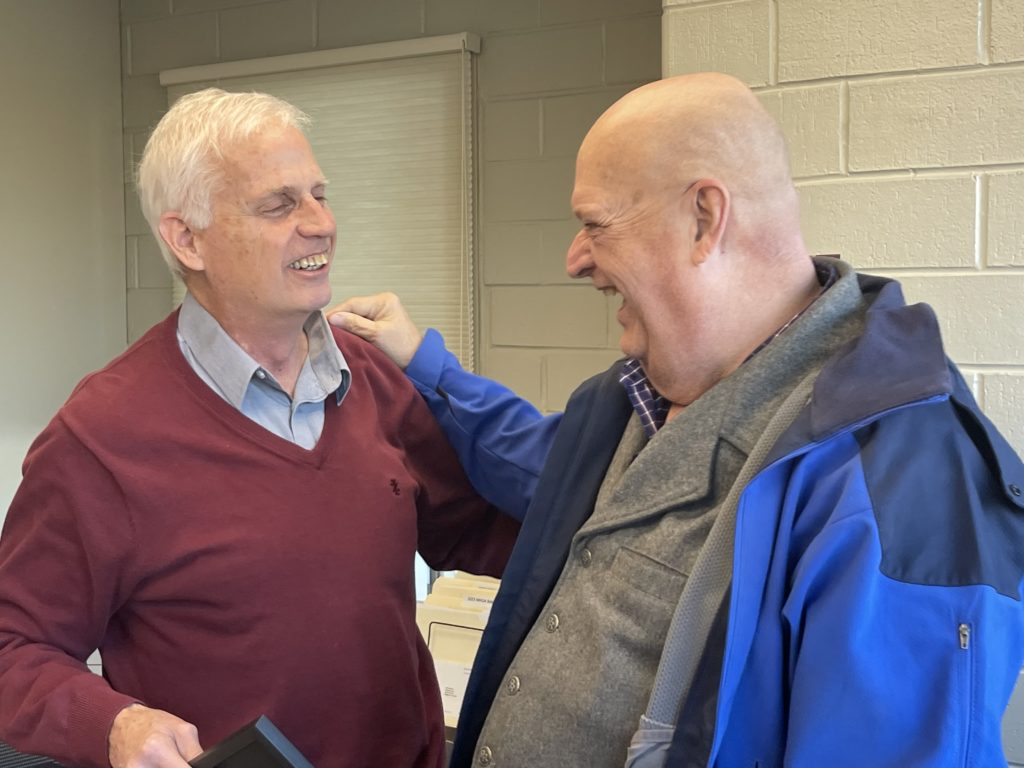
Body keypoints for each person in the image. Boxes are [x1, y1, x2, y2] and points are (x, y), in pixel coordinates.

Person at [329, 72, 1024, 767]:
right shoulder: (636, 396)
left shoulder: (906, 483)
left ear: (703, 219)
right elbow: (547, 469)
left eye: (595, 224)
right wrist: (426, 364)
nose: (575, 261)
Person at [0, 88, 520, 768]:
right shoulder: (101, 438)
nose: (320, 223)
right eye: (280, 205)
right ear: (187, 238)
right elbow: (12, 646)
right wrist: (114, 724)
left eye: (320, 195)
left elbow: (480, 529)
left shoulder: (373, 377)